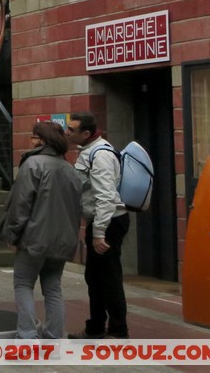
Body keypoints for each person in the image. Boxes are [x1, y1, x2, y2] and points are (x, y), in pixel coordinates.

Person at [0, 121, 82, 339]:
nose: (30, 141)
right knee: (53, 287)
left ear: (42, 140)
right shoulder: (69, 169)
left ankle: (27, 335)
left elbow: (21, 204)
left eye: (33, 137)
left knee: (23, 283)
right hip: (62, 240)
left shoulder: (32, 164)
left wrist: (13, 234)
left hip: (34, 238)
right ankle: (53, 335)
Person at [67, 111, 130, 339]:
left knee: (109, 278)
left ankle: (118, 330)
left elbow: (106, 197)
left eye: (72, 130)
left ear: (86, 133)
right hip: (103, 221)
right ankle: (96, 327)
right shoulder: (89, 150)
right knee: (95, 277)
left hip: (109, 222)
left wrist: (99, 233)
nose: (67, 133)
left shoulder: (100, 155)